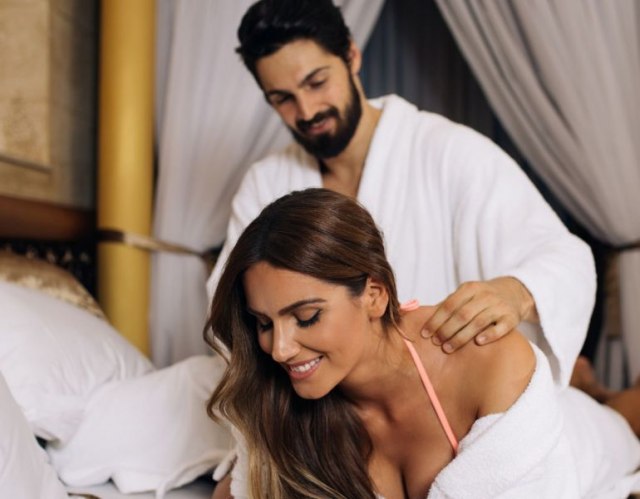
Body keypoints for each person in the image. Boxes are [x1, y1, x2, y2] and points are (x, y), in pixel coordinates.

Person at [206, 0, 596, 390]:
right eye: (283, 99)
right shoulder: (265, 183)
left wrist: (516, 292)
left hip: (442, 392)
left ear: (352, 56)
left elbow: (565, 258)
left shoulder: (450, 152)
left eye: (316, 82)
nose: (306, 111)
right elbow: (230, 311)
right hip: (309, 400)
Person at [206, 188, 640, 499]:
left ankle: (592, 391)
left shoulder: (485, 357)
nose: (280, 349)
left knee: (622, 421)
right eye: (263, 323)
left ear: (375, 296)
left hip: (581, 443)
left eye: (306, 318)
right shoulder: (280, 401)